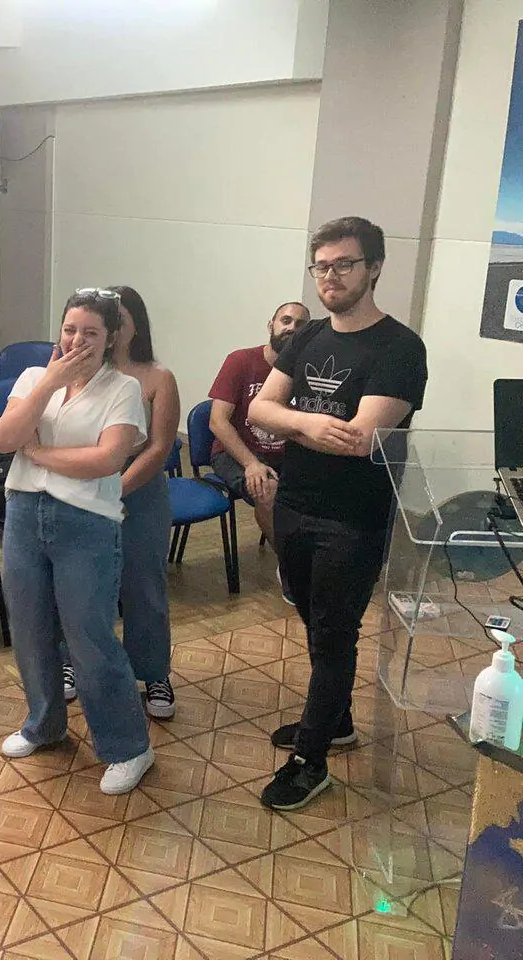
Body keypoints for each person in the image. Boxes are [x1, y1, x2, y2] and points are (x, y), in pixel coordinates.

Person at [249, 216, 427, 811]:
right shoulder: (308, 336)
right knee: (312, 618)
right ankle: (337, 721)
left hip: (353, 517)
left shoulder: (400, 347)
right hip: (294, 505)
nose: (330, 276)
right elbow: (259, 412)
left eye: (344, 264)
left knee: (334, 632)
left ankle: (312, 759)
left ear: (374, 268)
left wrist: (293, 422)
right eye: (321, 266)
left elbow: (359, 438)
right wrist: (308, 422)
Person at [0, 288, 154, 795]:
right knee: (30, 629)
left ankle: (129, 747)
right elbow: (3, 439)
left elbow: (106, 460)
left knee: (89, 638)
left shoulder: (123, 388)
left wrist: (38, 455)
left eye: (90, 332)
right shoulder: (32, 379)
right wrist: (49, 384)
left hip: (86, 523)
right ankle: (44, 724)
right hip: (23, 515)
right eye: (69, 329)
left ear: (110, 338)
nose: (77, 340)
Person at [107, 285, 180, 719]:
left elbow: (159, 447)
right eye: (107, 320)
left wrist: (116, 490)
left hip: (141, 491)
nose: (113, 329)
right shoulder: (85, 371)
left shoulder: (157, 377)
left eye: (120, 320)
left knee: (144, 586)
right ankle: (72, 662)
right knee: (81, 584)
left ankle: (153, 672)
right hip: (87, 485)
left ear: (137, 325)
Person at [208, 301, 310, 602]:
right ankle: (291, 567)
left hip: (285, 453)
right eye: (286, 320)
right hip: (236, 452)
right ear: (271, 325)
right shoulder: (241, 361)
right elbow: (217, 422)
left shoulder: (308, 370)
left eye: (300, 324)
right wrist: (251, 463)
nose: (291, 328)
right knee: (267, 489)